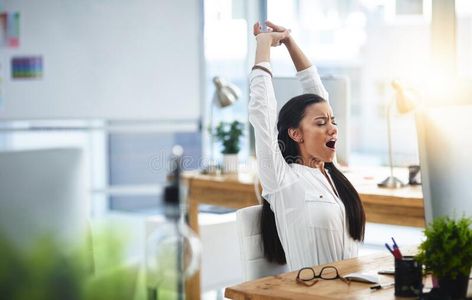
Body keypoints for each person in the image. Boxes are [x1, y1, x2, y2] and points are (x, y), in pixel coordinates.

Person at [249, 21, 366, 271]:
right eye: (321, 123)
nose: (333, 128)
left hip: (351, 291)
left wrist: (290, 42)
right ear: (296, 134)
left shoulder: (331, 173)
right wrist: (263, 45)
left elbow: (317, 91)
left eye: (332, 122)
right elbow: (262, 112)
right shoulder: (282, 179)